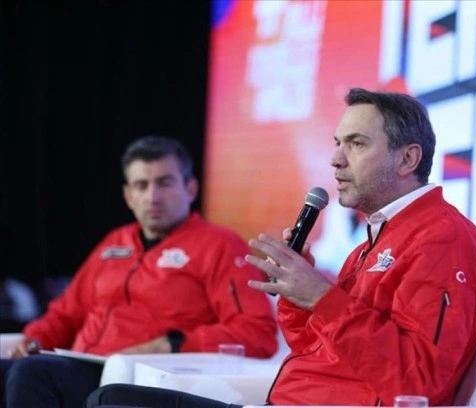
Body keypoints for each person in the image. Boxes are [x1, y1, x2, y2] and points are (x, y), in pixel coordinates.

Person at [85, 88, 476, 407]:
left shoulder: (442, 240)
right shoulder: (380, 236)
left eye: (356, 144)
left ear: (407, 159)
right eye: (337, 143)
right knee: (108, 395)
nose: (336, 159)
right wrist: (296, 292)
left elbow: (418, 383)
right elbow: (312, 346)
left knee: (113, 401)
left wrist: (322, 297)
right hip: (291, 398)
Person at [0, 136, 278, 408]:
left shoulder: (220, 245)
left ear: (191, 189)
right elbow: (66, 312)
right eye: (141, 185)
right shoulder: (115, 242)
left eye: (164, 183)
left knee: (32, 374)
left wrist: (172, 344)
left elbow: (257, 334)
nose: (152, 197)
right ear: (128, 196)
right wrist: (35, 338)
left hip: (143, 379)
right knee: (12, 369)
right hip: (82, 363)